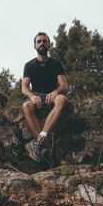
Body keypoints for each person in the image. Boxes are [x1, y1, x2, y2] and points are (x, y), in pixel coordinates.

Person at [22, 32, 68, 162]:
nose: (42, 43)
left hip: (52, 95)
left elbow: (64, 86)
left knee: (62, 99)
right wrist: (32, 96)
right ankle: (41, 144)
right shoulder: (29, 65)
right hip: (36, 96)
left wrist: (55, 92)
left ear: (49, 45)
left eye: (44, 41)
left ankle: (38, 141)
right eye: (39, 41)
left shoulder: (56, 64)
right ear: (35, 46)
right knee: (26, 105)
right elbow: (24, 87)